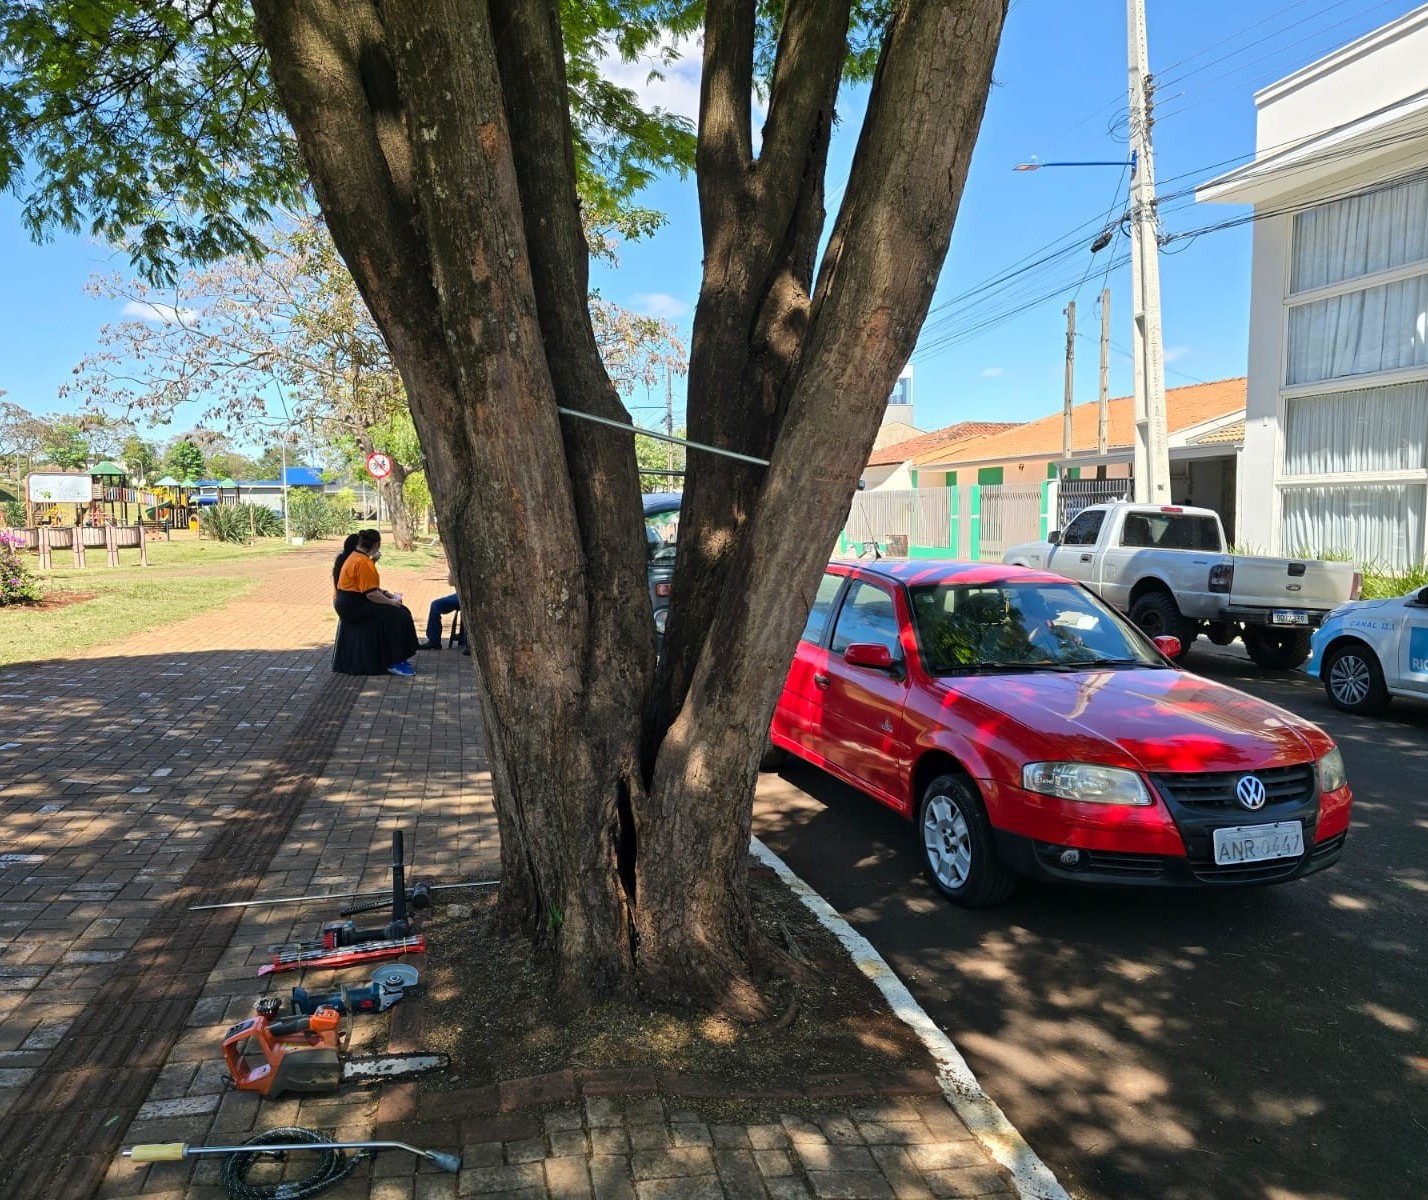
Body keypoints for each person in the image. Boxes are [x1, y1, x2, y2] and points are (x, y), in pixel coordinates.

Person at [331, 528, 420, 677]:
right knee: (399, 615)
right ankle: (395, 660)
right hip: (355, 606)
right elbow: (371, 594)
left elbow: (368, 588)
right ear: (377, 544)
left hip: (346, 603)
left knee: (398, 612)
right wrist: (391, 602)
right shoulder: (364, 562)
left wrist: (387, 596)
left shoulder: (353, 557)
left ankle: (394, 657)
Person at [418, 570, 465, 651]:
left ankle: (468, 643)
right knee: (435, 605)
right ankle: (434, 641)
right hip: (461, 594)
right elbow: (451, 583)